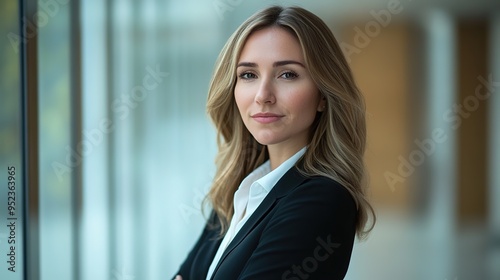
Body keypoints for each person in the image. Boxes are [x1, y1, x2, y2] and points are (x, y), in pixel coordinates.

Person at [174, 5, 375, 280]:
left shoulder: (322, 200)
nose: (263, 95)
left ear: (323, 95)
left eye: (287, 74)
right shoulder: (240, 189)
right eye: (248, 75)